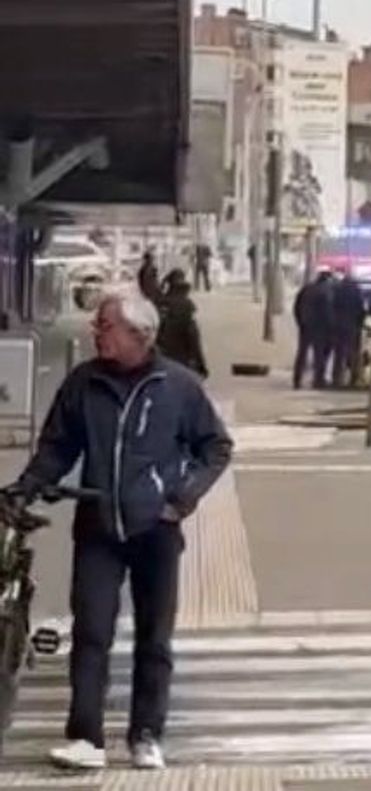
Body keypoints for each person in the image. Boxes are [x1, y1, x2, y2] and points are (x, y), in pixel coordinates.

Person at [8, 289, 233, 771]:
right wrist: (25, 488)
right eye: (97, 325)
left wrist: (182, 498)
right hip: (98, 526)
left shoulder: (178, 386)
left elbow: (215, 448)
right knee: (91, 631)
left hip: (156, 528)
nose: (95, 333)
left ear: (139, 334)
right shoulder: (83, 384)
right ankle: (85, 737)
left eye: (104, 326)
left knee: (155, 637)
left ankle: (146, 735)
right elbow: (56, 448)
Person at [153, 271, 207, 377]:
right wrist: (200, 364)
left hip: (160, 358)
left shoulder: (158, 303)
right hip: (181, 359)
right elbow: (193, 336)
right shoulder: (186, 306)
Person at [291, 269, 335, 389]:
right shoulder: (326, 291)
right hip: (319, 327)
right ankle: (318, 380)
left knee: (302, 353)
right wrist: (330, 327)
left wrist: (300, 322)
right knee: (319, 354)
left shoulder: (306, 289)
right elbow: (327, 312)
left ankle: (297, 379)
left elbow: (296, 307)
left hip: (305, 326)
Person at [330, 276, 367, 388]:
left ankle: (337, 378)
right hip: (353, 326)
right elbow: (361, 309)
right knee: (354, 352)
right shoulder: (356, 291)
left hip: (338, 326)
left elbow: (332, 307)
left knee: (339, 353)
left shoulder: (337, 291)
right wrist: (360, 323)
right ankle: (353, 377)